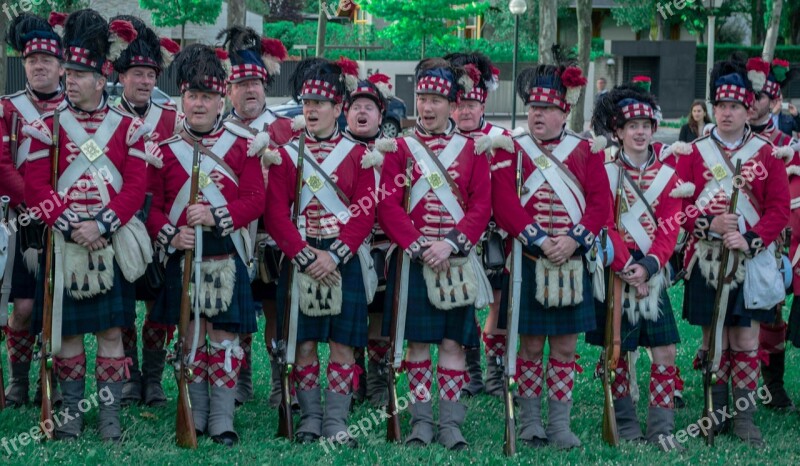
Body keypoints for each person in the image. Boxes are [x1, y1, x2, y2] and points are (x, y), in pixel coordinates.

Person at [23, 9, 147, 440]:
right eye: (68, 71)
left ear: (100, 79)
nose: (69, 79)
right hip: (66, 243)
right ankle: (70, 416)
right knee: (69, 335)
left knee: (112, 333)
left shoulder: (128, 128)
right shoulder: (46, 128)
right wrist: (72, 223)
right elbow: (36, 187)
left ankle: (110, 418)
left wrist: (104, 224)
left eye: (79, 73)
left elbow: (136, 186)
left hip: (107, 243)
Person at [145, 43, 265, 446]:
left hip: (225, 250)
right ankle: (194, 414)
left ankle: (223, 418)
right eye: (192, 96)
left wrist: (216, 216)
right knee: (192, 335)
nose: (199, 104)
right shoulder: (163, 151)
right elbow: (155, 208)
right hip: (185, 255)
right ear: (182, 99)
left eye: (207, 97)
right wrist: (170, 233)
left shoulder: (241, 144)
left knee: (224, 338)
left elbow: (254, 199)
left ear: (220, 100)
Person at [490, 55, 608, 450]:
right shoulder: (511, 146)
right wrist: (539, 239)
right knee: (528, 346)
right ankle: (529, 423)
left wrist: (574, 239)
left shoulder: (586, 150)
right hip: (528, 260)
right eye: (533, 107)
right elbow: (503, 202)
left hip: (571, 263)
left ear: (565, 110)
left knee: (565, 347)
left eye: (546, 108)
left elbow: (599, 204)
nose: (537, 114)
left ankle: (559, 425)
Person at [377, 58, 491, 450]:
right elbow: (387, 204)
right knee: (417, 346)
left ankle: (451, 425)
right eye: (422, 98)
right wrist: (418, 244)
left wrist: (452, 243)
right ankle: (421, 423)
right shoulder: (400, 148)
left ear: (452, 104)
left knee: (452, 345)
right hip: (414, 261)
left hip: (455, 260)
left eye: (436, 100)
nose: (427, 107)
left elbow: (481, 206)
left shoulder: (472, 149)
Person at [676, 54, 789, 448]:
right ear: (713, 109)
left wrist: (750, 238)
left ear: (748, 109)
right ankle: (714, 410)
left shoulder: (766, 153)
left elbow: (778, 209)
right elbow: (678, 206)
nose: (726, 113)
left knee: (744, 340)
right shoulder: (694, 151)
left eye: (735, 107)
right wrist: (707, 224)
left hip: (750, 261)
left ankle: (743, 418)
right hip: (707, 260)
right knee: (713, 341)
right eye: (721, 106)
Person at [264, 57, 374, 446]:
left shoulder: (360, 155)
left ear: (339, 109)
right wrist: (304, 254)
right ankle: (310, 419)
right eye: (306, 102)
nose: (310, 110)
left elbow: (365, 211)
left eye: (320, 104)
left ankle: (337, 423)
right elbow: (275, 213)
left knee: (343, 345)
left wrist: (337, 254)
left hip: (342, 259)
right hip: (301, 256)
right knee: (305, 344)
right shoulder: (285, 153)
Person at [587, 83, 683, 451]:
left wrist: (649, 267)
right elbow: (603, 224)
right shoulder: (605, 172)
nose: (640, 132)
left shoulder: (668, 176)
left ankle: (661, 426)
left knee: (666, 352)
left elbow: (671, 225)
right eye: (632, 126)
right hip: (616, 272)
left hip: (652, 274)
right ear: (618, 132)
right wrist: (628, 266)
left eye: (646, 124)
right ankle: (625, 422)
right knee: (617, 351)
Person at [217, 25, 294, 407]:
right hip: (231, 235)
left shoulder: (285, 130)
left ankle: (281, 382)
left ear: (266, 87)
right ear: (228, 89)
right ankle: (240, 379)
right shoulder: (217, 131)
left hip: (272, 238)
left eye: (256, 84)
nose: (250, 90)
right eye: (241, 83)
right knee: (237, 314)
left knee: (277, 314)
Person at [109, 15, 180, 408]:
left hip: (162, 224)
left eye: (151, 74)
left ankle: (152, 377)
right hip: (118, 224)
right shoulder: (105, 118)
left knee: (159, 306)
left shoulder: (172, 119)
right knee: (122, 306)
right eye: (138, 73)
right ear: (121, 76)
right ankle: (129, 374)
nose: (146, 81)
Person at [1, 12, 65, 408]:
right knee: (23, 309)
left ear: (61, 65)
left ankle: (56, 378)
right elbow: (3, 165)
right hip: (23, 222)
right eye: (31, 60)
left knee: (57, 308)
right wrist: (39, 204)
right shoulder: (8, 109)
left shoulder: (76, 107)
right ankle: (20, 380)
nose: (38, 66)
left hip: (66, 222)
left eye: (46, 60)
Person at [445, 52, 507, 398]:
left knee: (496, 302)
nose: (465, 111)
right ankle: (471, 370)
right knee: (461, 301)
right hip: (456, 236)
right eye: (459, 105)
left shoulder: (502, 138)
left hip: (494, 237)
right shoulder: (441, 142)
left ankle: (496, 369)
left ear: (483, 105)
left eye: (472, 104)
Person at [341, 71, 395, 408]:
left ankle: (378, 382)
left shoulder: (395, 151)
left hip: (381, 247)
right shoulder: (334, 149)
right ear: (345, 112)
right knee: (349, 313)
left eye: (369, 108)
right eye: (356, 106)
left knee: (377, 315)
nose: (362, 112)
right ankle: (353, 377)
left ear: (380, 115)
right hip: (343, 245)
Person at [748, 57, 799, 410]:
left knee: (772, 314)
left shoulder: (787, 143)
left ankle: (772, 386)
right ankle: (729, 387)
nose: (750, 103)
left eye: (758, 96)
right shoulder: (722, 138)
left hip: (775, 241)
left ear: (774, 101)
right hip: (735, 237)